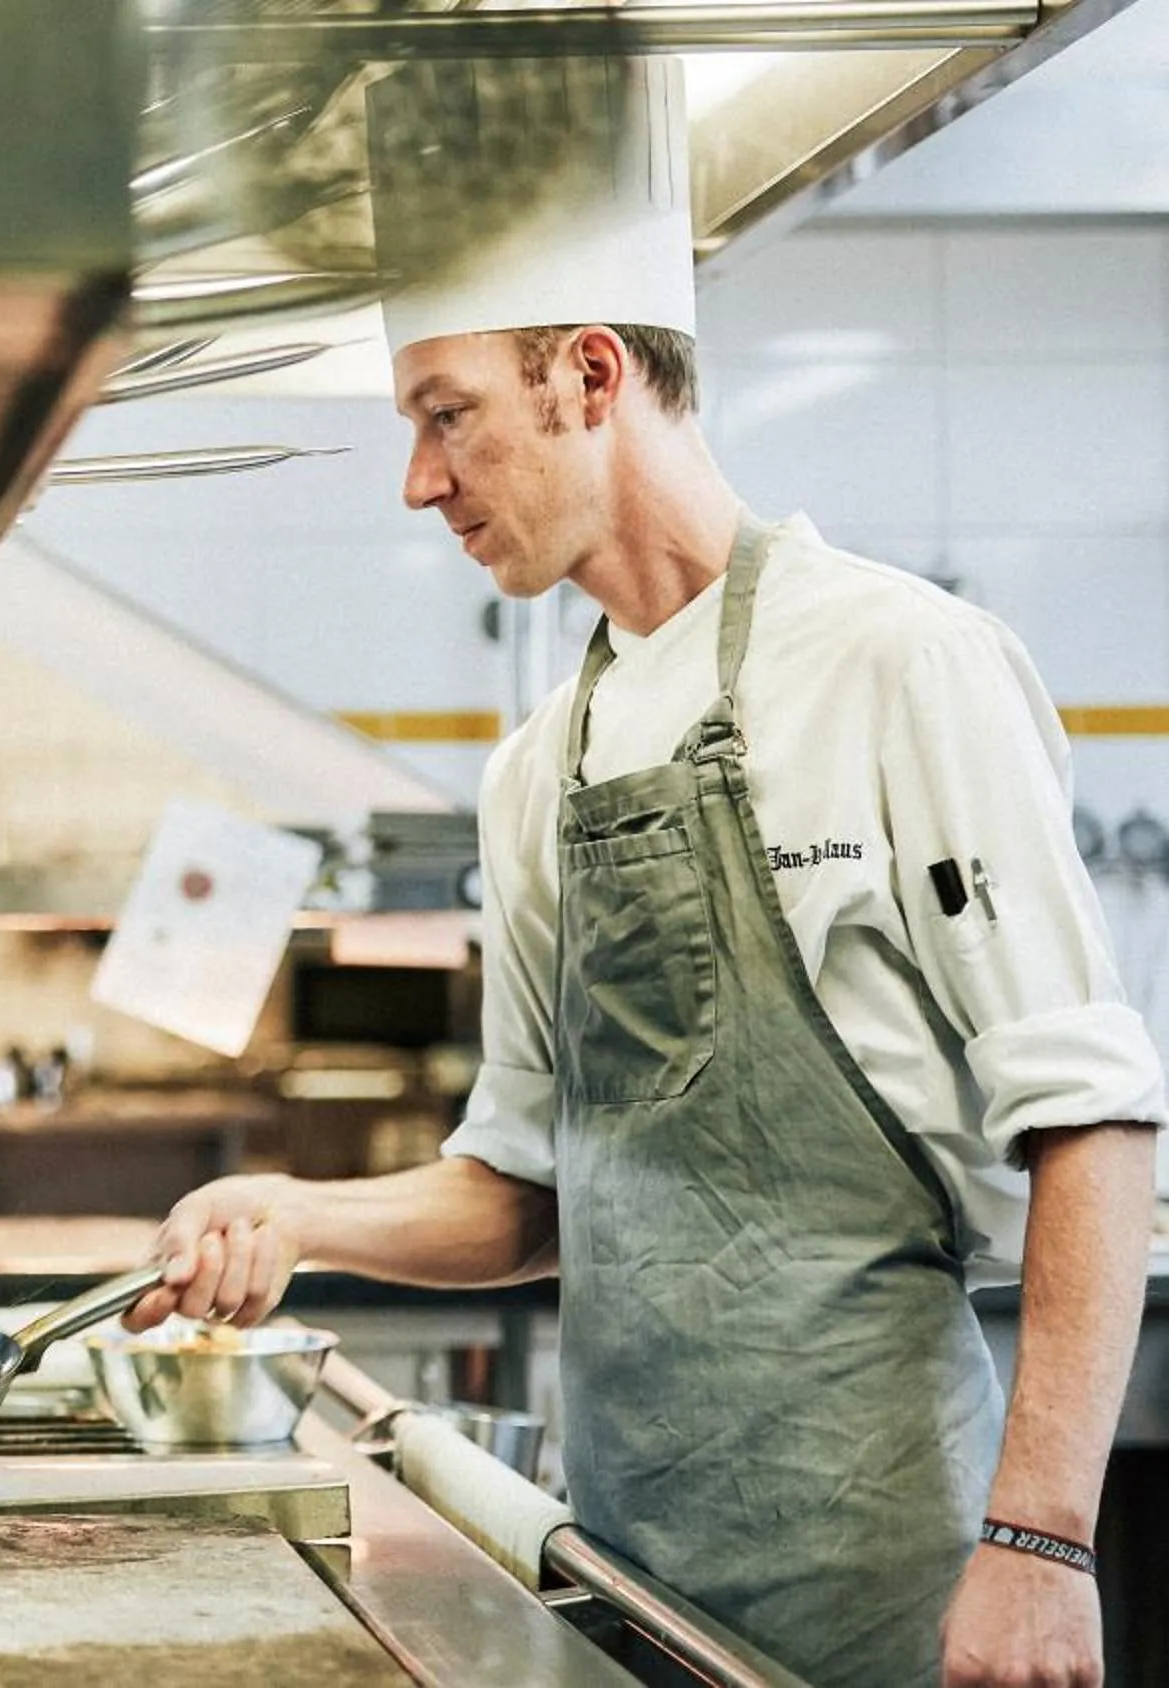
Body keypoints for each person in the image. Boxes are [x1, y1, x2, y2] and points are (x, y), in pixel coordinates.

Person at [127, 59, 1160, 1688]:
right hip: (620, 1578)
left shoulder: (904, 662)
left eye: (443, 414)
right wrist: (296, 1208)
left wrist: (1040, 1540)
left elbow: (1095, 1118)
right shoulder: (539, 765)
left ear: (588, 373)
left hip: (900, 1585)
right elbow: (527, 1191)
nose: (418, 480)